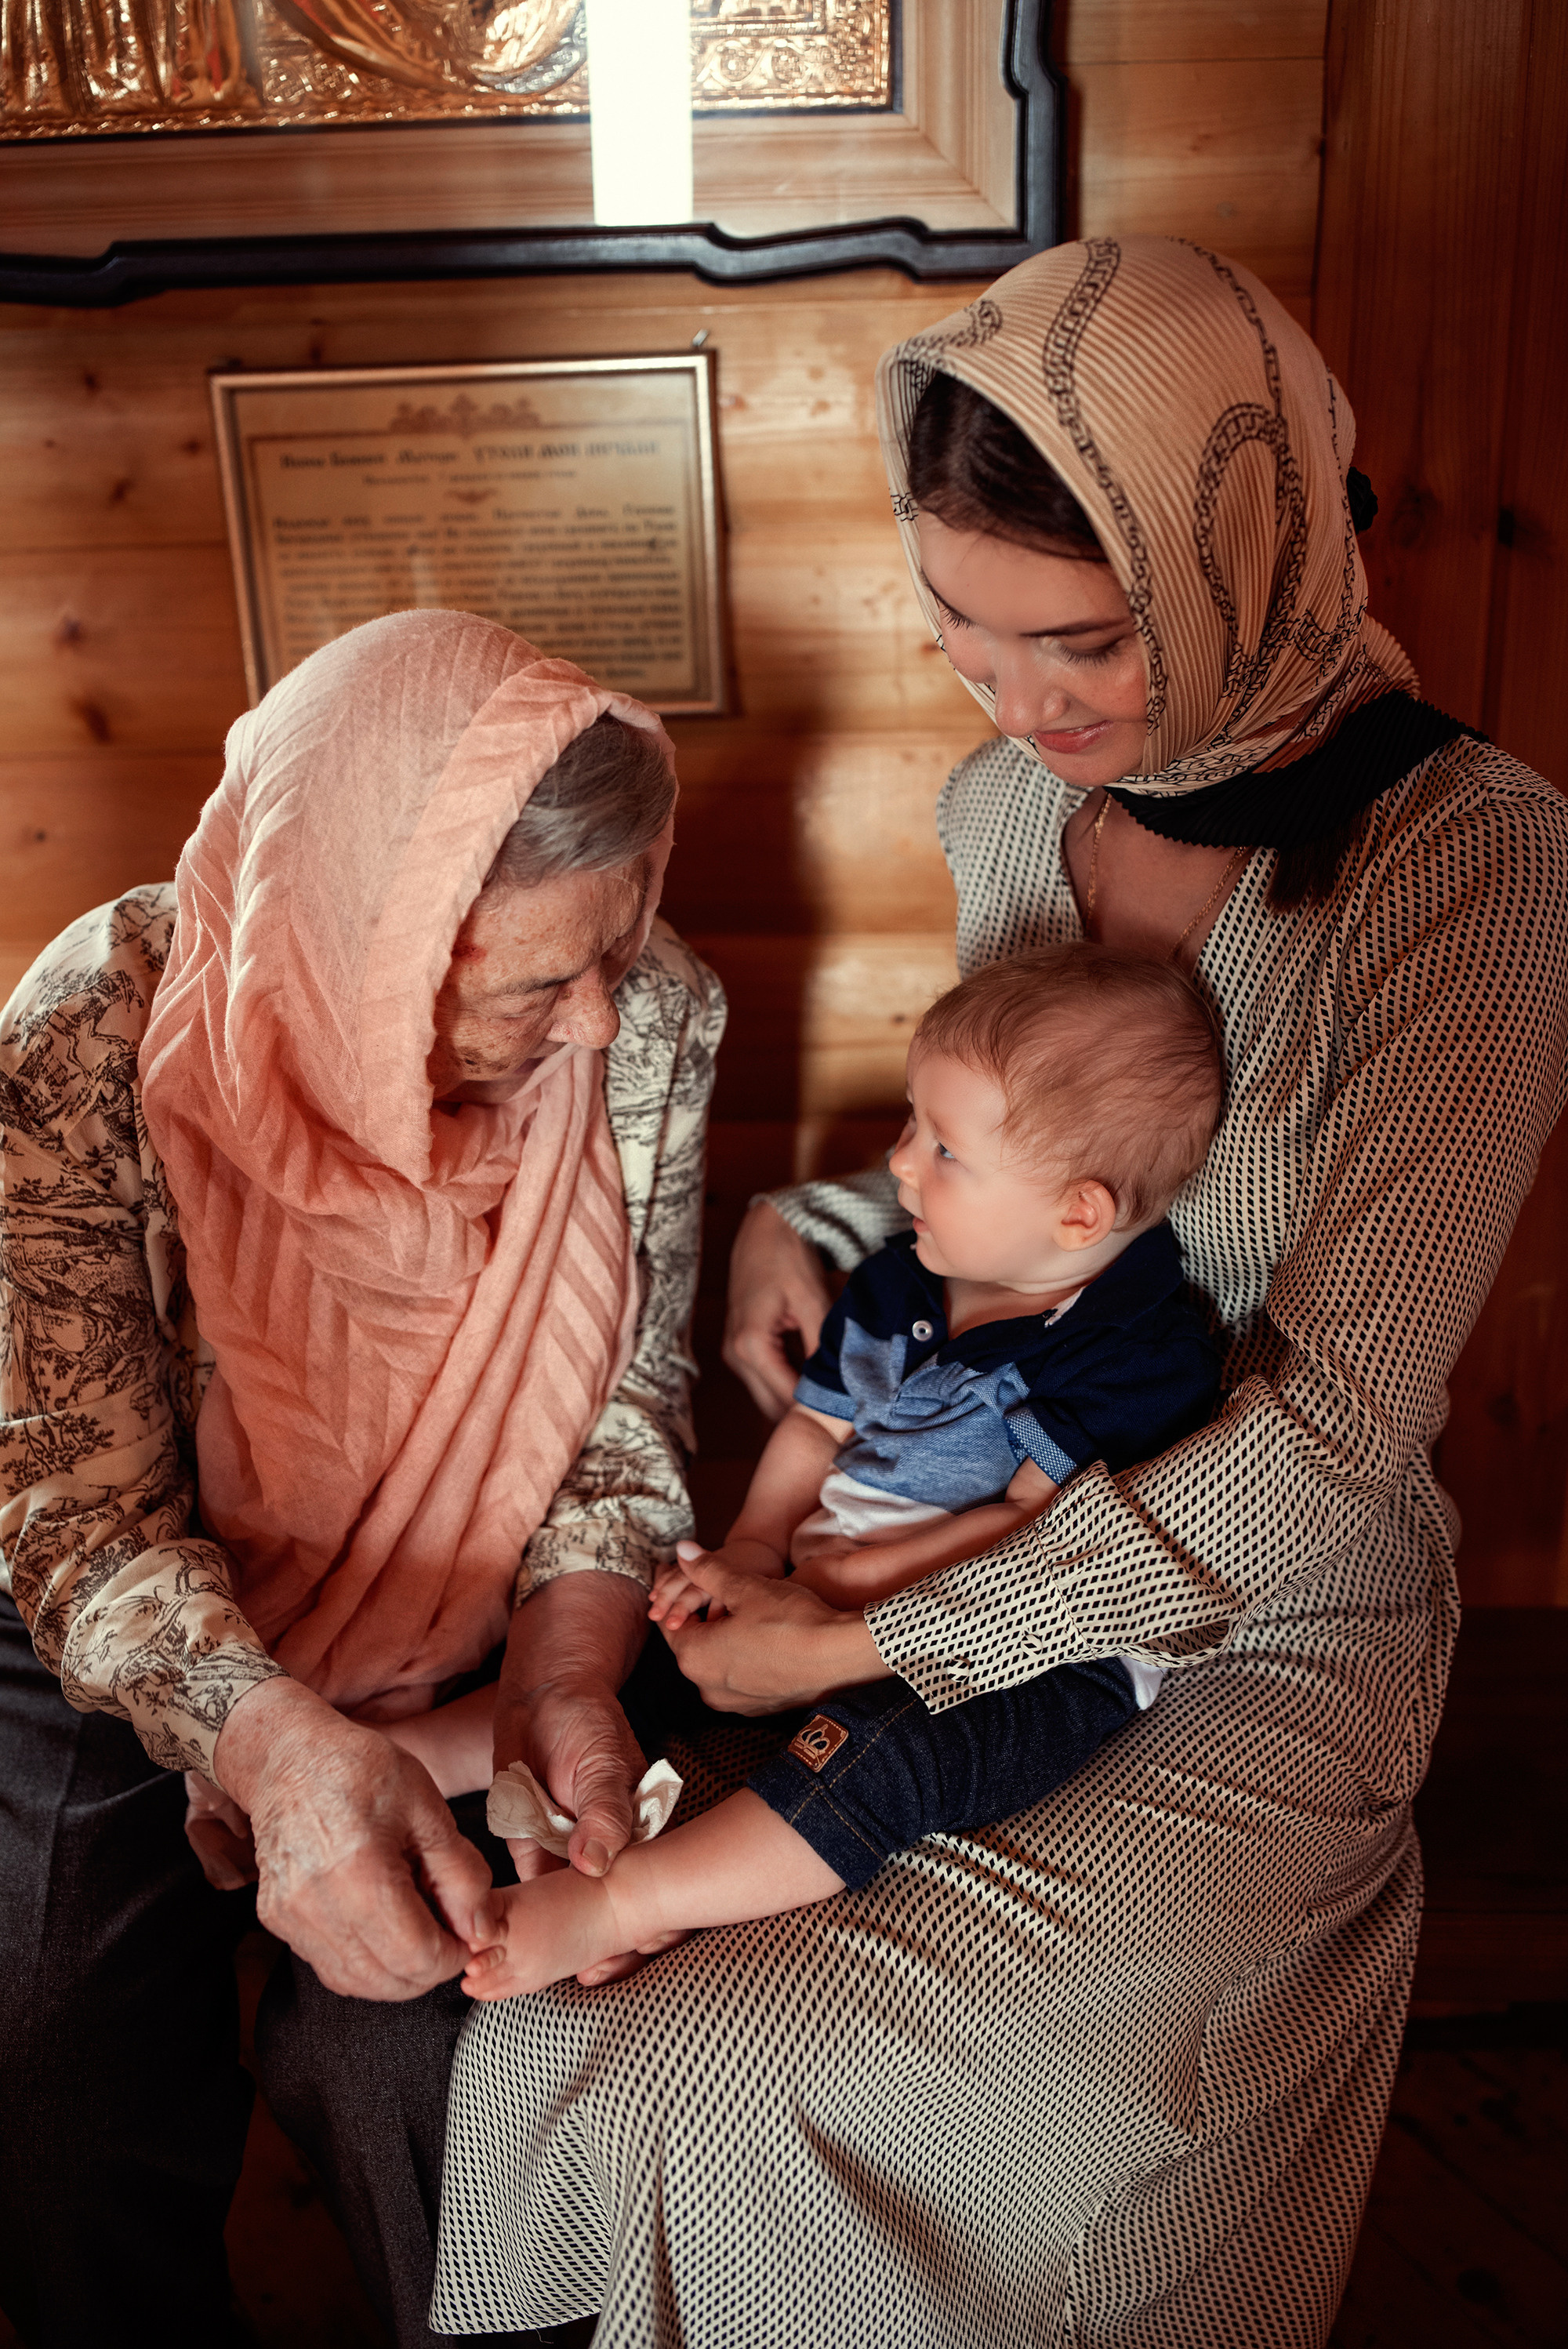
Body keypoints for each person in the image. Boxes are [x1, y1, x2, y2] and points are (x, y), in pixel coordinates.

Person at [429, 238, 1568, 2349]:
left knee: (747, 2066)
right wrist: (815, 1221)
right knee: (579, 2017)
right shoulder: (1010, 813)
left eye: (1085, 642)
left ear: (1247, 565)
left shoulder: (1471, 864)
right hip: (951, 1517)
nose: (1024, 711)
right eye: (958, 627)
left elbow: (1330, 1432)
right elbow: (1036, 1163)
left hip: (1265, 1618)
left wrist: (883, 1632)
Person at [0, 609, 724, 2349]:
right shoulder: (94, 1030)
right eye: (538, 982)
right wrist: (272, 1745)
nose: (598, 1016)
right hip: (131, 1623)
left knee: (445, 2057)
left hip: (471, 1618)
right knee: (51, 2073)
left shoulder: (648, 1017)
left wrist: (562, 1685)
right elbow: (72, 1510)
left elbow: (624, 1412)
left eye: (620, 945)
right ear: (368, 947)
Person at [457, 944, 1223, 1997]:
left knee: (888, 1753)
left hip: (1021, 1653)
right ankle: (423, 1756)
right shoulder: (904, 1279)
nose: (898, 1164)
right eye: (912, 1122)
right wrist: (753, 1547)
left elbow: (1030, 1532)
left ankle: (622, 1904)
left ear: (1078, 1214)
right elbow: (814, 1432)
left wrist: (833, 1594)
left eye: (943, 1148)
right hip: (822, 1589)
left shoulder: (1131, 1350)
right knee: (626, 1642)